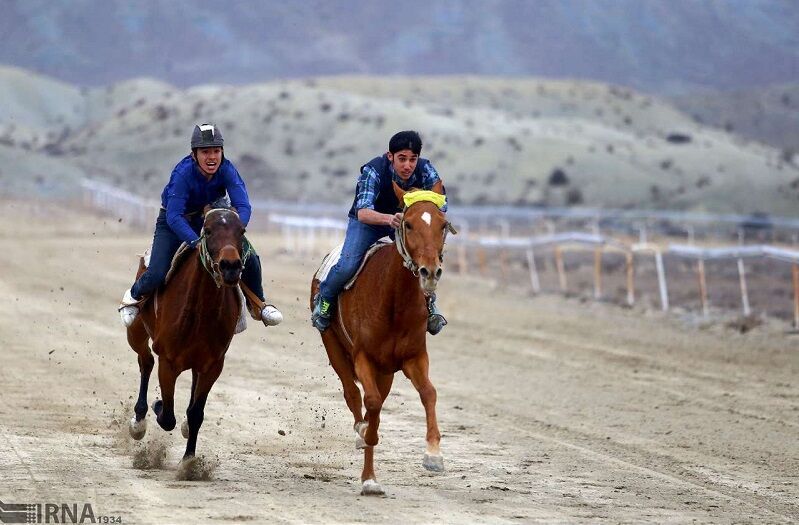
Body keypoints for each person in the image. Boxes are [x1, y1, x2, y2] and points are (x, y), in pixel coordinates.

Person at [118, 123, 283, 328]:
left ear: (222, 152)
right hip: (174, 223)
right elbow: (174, 216)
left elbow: (243, 206)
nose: (212, 157)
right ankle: (132, 296)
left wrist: (236, 229)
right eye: (205, 152)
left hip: (209, 220)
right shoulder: (182, 174)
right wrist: (196, 241)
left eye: (216, 151)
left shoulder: (228, 169)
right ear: (194, 154)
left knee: (249, 256)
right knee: (158, 272)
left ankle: (258, 304)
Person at [312, 130, 447, 334]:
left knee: (424, 260)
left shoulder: (427, 169)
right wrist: (388, 218)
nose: (408, 166)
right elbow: (363, 212)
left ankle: (430, 305)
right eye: (402, 159)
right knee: (347, 264)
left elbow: (440, 206)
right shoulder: (373, 170)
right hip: (368, 222)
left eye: (412, 159)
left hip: (405, 223)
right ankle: (325, 299)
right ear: (390, 156)